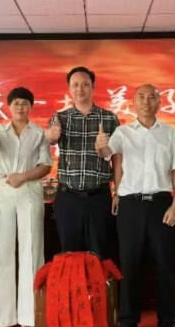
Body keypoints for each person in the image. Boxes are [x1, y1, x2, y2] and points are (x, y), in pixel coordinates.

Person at [96, 84, 175, 327]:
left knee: (165, 264)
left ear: (159, 102)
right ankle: (128, 322)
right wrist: (100, 146)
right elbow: (106, 154)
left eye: (152, 97)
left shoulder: (169, 133)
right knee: (130, 264)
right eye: (141, 97)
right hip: (131, 205)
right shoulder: (122, 132)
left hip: (161, 204)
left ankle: (168, 322)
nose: (147, 101)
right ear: (133, 102)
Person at [0, 87, 53, 327]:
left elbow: (45, 166)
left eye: (25, 103)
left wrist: (24, 176)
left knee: (31, 250)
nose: (21, 107)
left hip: (30, 190)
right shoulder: (0, 131)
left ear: (31, 107)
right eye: (16, 103)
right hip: (4, 190)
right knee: (2, 249)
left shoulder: (39, 133)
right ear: (9, 106)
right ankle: (1, 317)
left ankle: (30, 316)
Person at [45, 66, 120, 258]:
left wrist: (118, 193)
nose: (80, 89)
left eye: (85, 84)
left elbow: (117, 159)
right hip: (68, 197)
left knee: (100, 254)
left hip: (99, 197)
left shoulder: (109, 118)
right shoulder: (60, 118)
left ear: (93, 87)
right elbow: (50, 139)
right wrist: (51, 135)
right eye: (75, 85)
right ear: (69, 89)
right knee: (69, 255)